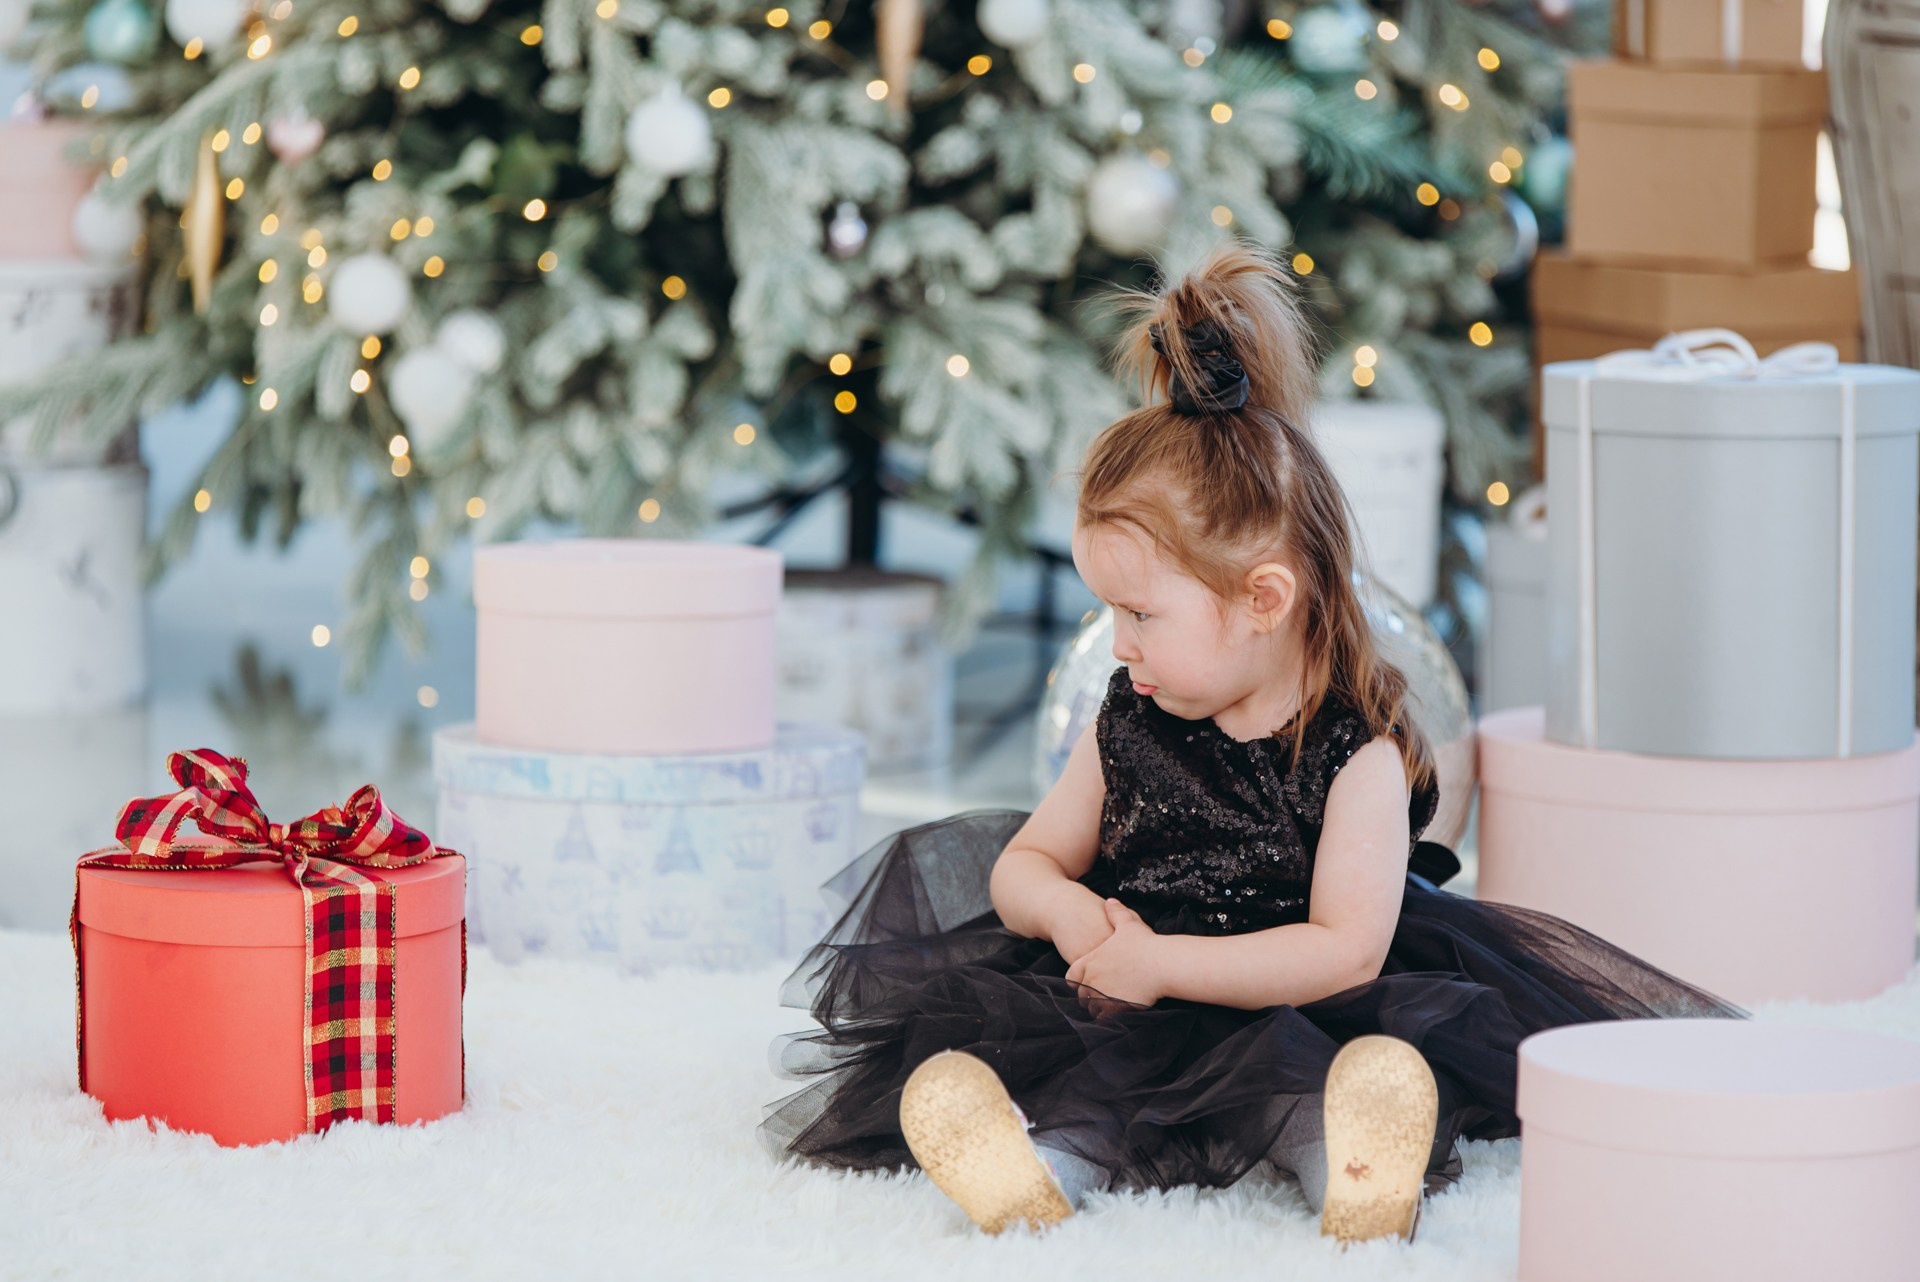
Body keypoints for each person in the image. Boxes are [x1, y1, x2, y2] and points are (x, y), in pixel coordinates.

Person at [758, 237, 1741, 1242]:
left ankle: (1362, 1165)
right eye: (1112, 613)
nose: (1120, 643)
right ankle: (1028, 1166)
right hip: (1129, 1001)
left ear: (1264, 599)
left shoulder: (1354, 752)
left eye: (1142, 614)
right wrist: (1069, 914)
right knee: (1092, 1094)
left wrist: (1165, 966)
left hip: (1299, 1000)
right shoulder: (1131, 717)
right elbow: (1025, 862)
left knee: (1309, 1086)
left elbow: (1344, 952)